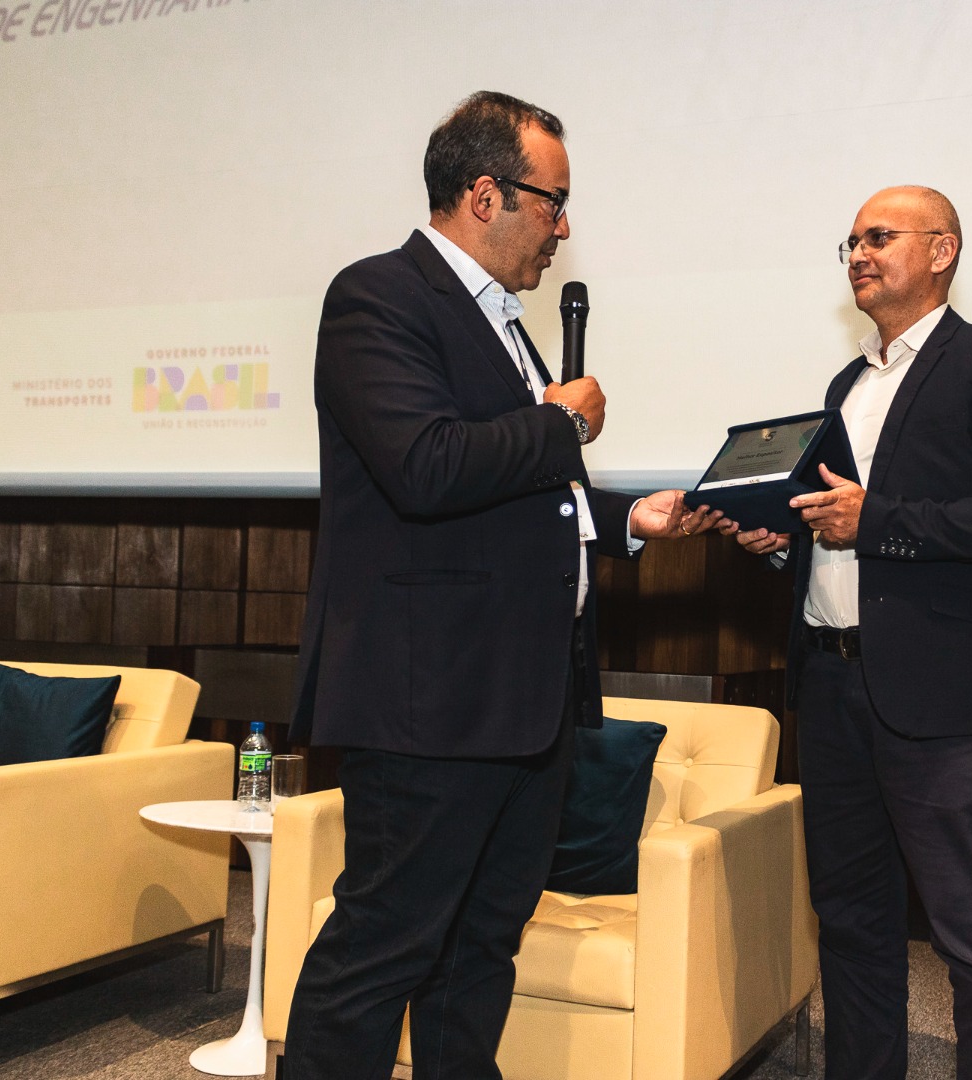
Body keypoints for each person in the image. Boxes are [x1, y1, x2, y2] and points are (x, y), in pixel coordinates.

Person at [282, 91, 725, 1080]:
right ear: (486, 194)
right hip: (430, 703)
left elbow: (521, 499)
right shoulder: (378, 296)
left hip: (525, 704)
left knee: (480, 948)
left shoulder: (504, 325)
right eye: (553, 203)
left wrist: (628, 520)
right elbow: (426, 466)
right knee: (382, 952)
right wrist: (562, 421)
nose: (564, 229)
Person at [736, 186, 972, 1080]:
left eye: (879, 237)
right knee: (852, 928)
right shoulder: (846, 385)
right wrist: (784, 541)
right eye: (850, 241)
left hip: (938, 700)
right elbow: (834, 527)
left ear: (943, 250)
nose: (859, 254)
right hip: (831, 685)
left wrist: (875, 520)